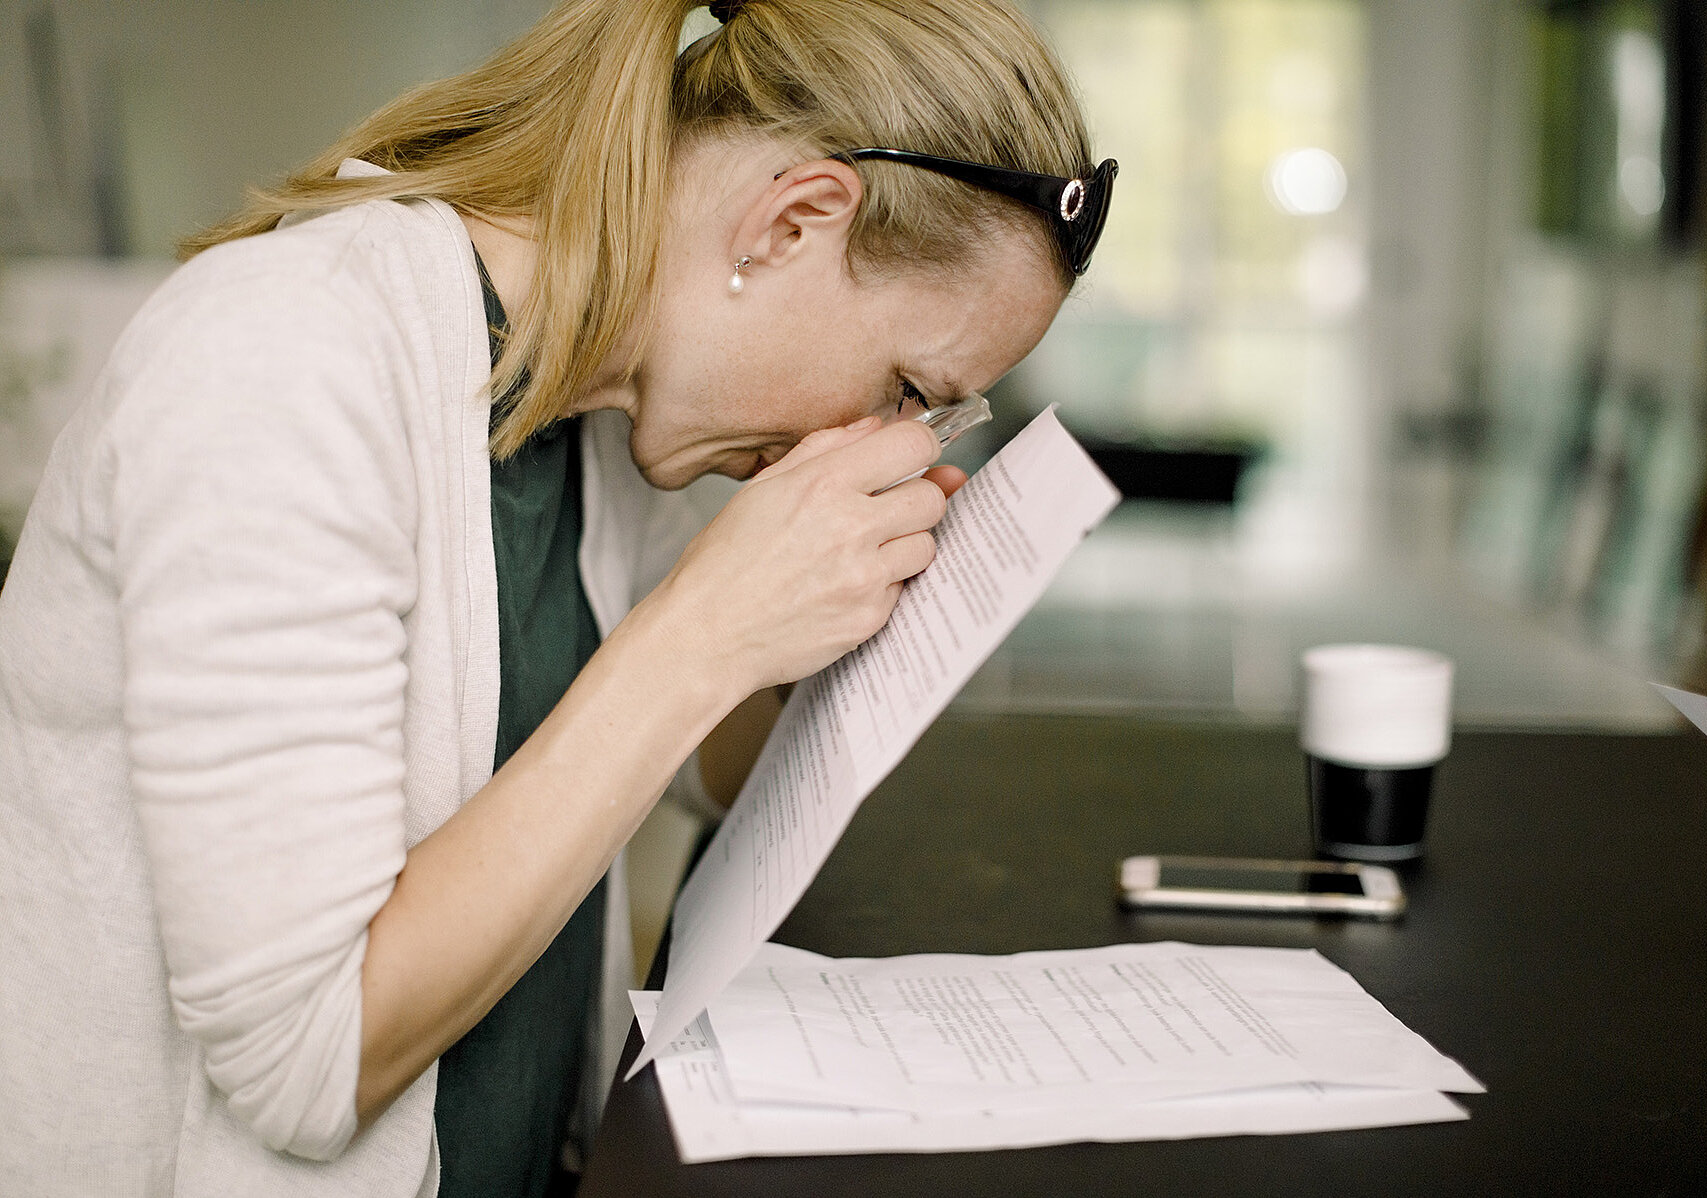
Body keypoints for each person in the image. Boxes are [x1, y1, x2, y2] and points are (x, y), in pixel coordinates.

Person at [0, 0, 1113, 1194]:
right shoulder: (283, 362)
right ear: (790, 223)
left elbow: (690, 763)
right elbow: (306, 1060)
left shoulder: (603, 395)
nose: (889, 436)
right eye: (906, 389)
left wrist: (845, 626)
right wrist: (707, 629)